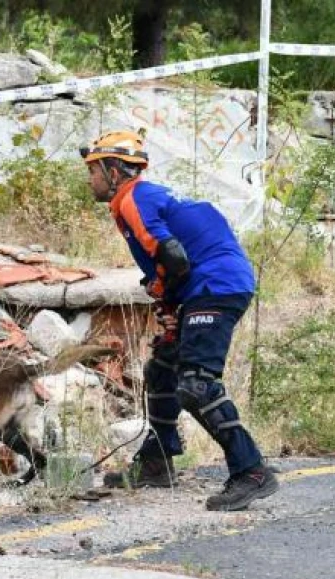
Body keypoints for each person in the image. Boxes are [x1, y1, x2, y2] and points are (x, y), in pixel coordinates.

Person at [81, 129, 278, 511]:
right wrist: (170, 306)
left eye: (94, 170)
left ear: (115, 171)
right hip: (206, 284)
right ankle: (157, 463)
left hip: (214, 285)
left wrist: (165, 294)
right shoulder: (145, 197)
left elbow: (173, 258)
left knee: (196, 385)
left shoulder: (131, 197)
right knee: (162, 371)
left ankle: (252, 471)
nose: (90, 179)